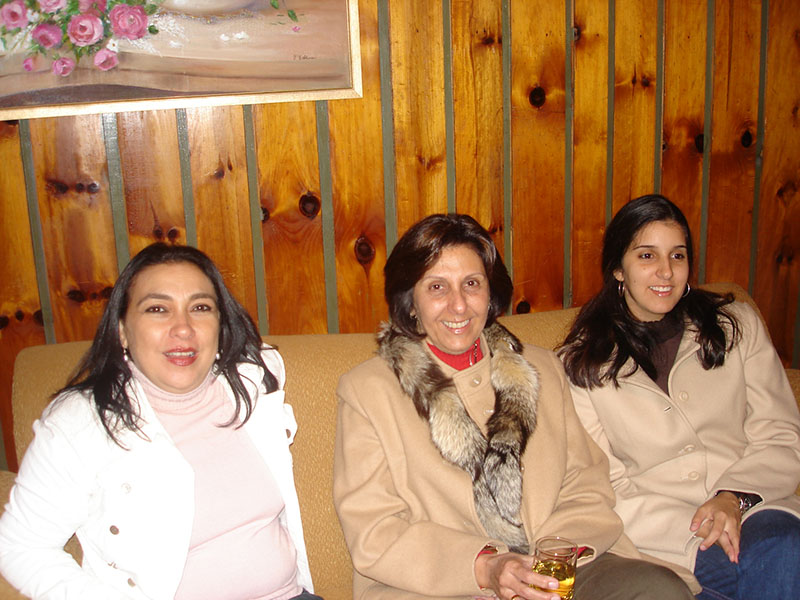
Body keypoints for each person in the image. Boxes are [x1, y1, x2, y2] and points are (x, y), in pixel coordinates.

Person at [333, 213, 694, 600]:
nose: (458, 305)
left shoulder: (542, 368)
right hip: (446, 587)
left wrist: (547, 564)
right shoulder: (368, 392)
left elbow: (587, 482)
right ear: (410, 303)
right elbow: (375, 529)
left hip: (561, 567)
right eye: (437, 287)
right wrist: (487, 567)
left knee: (660, 591)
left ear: (490, 294)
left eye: (472, 284)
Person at [0, 243, 319, 600]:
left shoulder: (253, 382)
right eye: (157, 309)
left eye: (200, 307)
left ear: (220, 325)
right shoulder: (80, 422)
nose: (183, 328)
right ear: (122, 331)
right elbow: (19, 547)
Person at [558, 194, 800, 600]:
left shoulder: (736, 327)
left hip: (756, 508)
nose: (666, 272)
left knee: (783, 550)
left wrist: (733, 498)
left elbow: (781, 434)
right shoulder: (581, 365)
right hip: (668, 536)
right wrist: (698, 528)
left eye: (678, 255)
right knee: (752, 571)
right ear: (618, 268)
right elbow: (603, 486)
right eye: (647, 256)